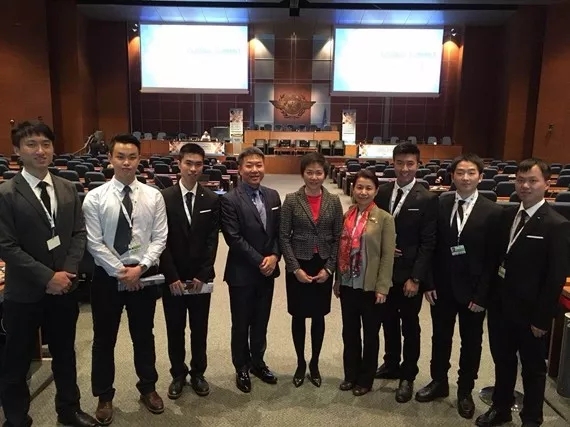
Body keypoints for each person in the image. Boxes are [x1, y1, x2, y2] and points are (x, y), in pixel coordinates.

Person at [0, 121, 98, 427]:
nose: (40, 150)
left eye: (45, 144)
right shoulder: (6, 193)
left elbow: (79, 233)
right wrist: (47, 277)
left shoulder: (67, 187)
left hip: (64, 288)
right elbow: (6, 245)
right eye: (31, 144)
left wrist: (67, 272)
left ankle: (69, 409)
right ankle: (17, 418)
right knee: (17, 360)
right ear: (17, 150)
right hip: (24, 293)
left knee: (65, 354)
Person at [476, 159, 570, 427]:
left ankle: (531, 417)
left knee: (533, 369)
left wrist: (542, 319)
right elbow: (496, 260)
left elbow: (555, 278)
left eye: (532, 180)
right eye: (520, 180)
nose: (525, 186)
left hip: (531, 314)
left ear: (547, 184)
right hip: (500, 307)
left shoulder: (557, 224)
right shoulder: (506, 216)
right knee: (503, 361)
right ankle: (501, 408)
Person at [82, 134, 168, 426]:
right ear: (110, 158)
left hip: (143, 275)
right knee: (103, 339)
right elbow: (94, 243)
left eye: (132, 157)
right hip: (107, 278)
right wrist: (122, 271)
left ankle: (148, 387)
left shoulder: (153, 196)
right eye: (120, 156)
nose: (127, 162)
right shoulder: (95, 197)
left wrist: (139, 268)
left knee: (144, 335)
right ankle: (104, 396)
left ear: (139, 159)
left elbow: (160, 238)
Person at [416, 153, 503, 420]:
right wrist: (428, 282)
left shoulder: (493, 211)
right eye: (460, 173)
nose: (465, 178)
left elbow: (493, 259)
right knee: (440, 337)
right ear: (452, 176)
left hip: (474, 292)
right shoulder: (440, 202)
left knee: (471, 342)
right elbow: (430, 245)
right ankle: (439, 381)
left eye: (471, 173)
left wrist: (482, 295)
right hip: (441, 287)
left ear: (480, 177)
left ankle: (465, 390)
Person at [374, 142, 438, 403]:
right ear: (393, 163)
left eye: (410, 164)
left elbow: (428, 243)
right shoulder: (382, 192)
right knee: (387, 321)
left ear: (418, 165)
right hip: (384, 274)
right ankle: (391, 363)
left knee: (410, 326)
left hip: (409, 276)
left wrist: (416, 278)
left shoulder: (427, 198)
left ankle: (408, 375)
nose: (404, 169)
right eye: (400, 163)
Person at [159, 143, 220, 399]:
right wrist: (171, 275)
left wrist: (203, 273)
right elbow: (160, 240)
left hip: (199, 278)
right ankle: (177, 374)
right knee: (175, 329)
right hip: (172, 277)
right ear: (179, 164)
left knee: (199, 328)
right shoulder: (164, 197)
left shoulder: (212, 199)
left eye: (198, 164)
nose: (193, 169)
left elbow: (212, 241)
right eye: (188, 163)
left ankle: (198, 373)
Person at [220, 147, 282, 393]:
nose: (255, 170)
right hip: (242, 273)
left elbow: (278, 232)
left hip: (268, 271)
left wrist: (274, 256)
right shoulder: (229, 199)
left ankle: (258, 362)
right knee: (241, 323)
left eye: (259, 165)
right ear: (240, 169)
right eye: (249, 165)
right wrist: (261, 261)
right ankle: (241, 367)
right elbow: (233, 238)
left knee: (261, 321)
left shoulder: (273, 196)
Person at [279, 152, 343, 388]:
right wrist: (294, 268)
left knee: (318, 316)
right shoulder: (291, 200)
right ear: (302, 174)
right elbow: (283, 237)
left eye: (318, 173)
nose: (314, 177)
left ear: (325, 174)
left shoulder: (334, 201)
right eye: (309, 172)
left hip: (322, 265)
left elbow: (338, 238)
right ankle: (300, 363)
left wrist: (330, 268)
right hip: (299, 264)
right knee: (298, 316)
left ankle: (314, 363)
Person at [334, 169, 396, 397]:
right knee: (349, 333)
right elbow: (340, 250)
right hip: (348, 284)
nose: (363, 192)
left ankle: (365, 379)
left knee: (370, 335)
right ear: (353, 189)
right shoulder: (347, 215)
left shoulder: (385, 219)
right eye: (359, 187)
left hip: (370, 287)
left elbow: (388, 256)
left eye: (369, 188)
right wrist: (338, 279)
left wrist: (382, 287)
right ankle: (350, 375)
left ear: (376, 191)